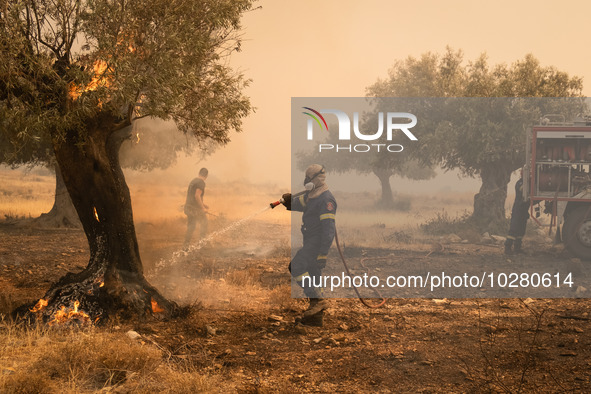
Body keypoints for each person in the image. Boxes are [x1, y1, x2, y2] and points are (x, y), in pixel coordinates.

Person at [281, 164, 336, 327]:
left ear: (316, 179)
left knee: (296, 266)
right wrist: (289, 202)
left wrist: (322, 254)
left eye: (308, 178)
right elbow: (300, 204)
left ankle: (316, 299)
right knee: (314, 276)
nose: (305, 181)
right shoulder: (313, 195)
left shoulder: (326, 199)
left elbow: (328, 231)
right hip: (309, 239)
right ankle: (315, 319)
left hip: (316, 243)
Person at [505, 174, 530, 255]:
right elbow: (522, 190)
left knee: (521, 230)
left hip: (524, 210)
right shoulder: (520, 183)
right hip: (518, 209)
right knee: (514, 229)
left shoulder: (527, 183)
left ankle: (517, 248)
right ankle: (507, 247)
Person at [184, 168, 209, 248]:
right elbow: (197, 195)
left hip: (188, 207)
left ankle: (185, 245)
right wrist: (202, 208)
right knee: (204, 223)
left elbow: (193, 196)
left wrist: (203, 204)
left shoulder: (193, 181)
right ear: (206, 176)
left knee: (191, 226)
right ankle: (201, 245)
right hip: (195, 209)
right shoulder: (201, 183)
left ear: (199, 173)